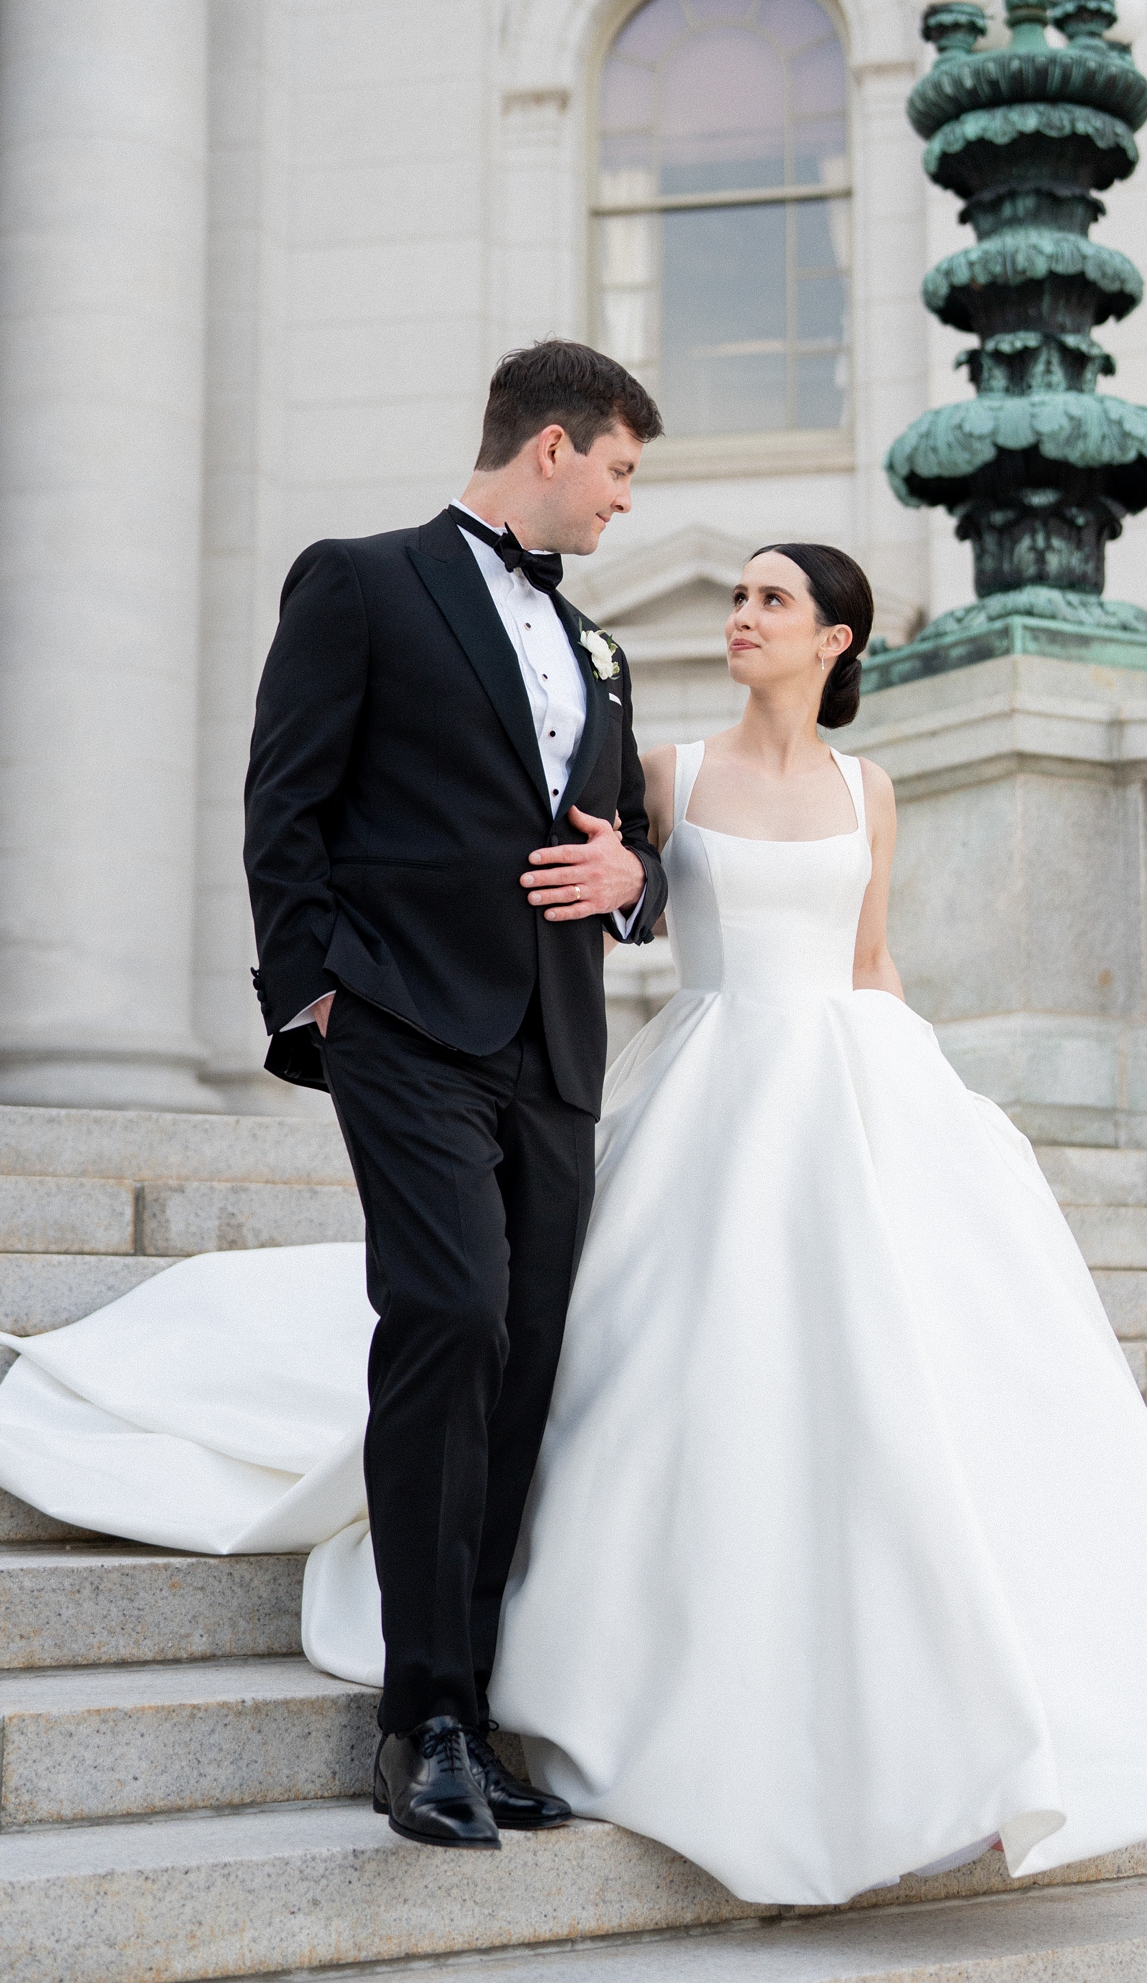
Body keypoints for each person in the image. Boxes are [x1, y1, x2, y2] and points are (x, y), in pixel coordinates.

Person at [0, 537, 1147, 1905]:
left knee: (904, 1387)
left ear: (837, 639)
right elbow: (613, 887)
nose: (742, 615)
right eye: (736, 595)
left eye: (772, 600)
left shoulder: (874, 788)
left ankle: (956, 1730)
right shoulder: (668, 770)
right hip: (709, 1086)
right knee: (626, 1353)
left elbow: (871, 961)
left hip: (857, 1086)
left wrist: (932, 1098)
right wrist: (624, 890)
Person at [242, 340, 669, 1847]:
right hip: (406, 1025)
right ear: (551, 449)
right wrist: (318, 992)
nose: (626, 501)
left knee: (525, 1362)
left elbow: (636, 848)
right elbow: (284, 797)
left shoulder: (600, 647)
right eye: (619, 469)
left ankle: (474, 1716)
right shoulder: (359, 581)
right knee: (451, 1316)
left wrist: (639, 881)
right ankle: (414, 1716)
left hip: (556, 1049)